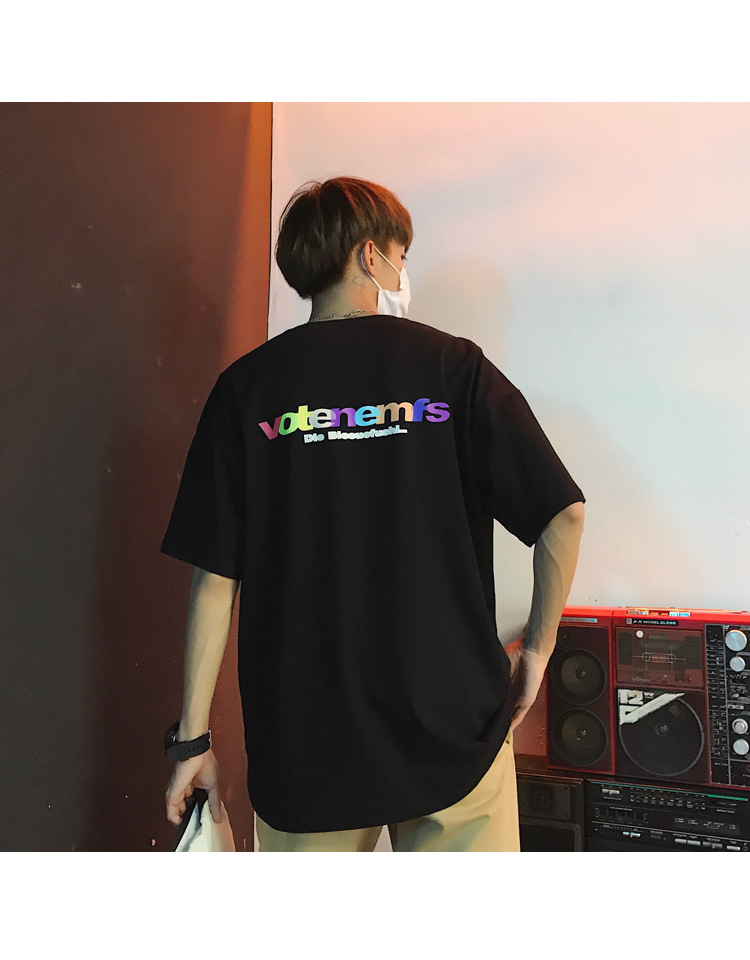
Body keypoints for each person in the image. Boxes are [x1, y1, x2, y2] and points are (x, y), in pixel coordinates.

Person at [162, 176, 585, 852]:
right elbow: (562, 514)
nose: (401, 271)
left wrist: (192, 741)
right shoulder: (453, 369)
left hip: (307, 748)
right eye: (400, 256)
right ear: (369, 255)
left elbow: (214, 579)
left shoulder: (246, 391)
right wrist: (538, 650)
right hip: (454, 733)